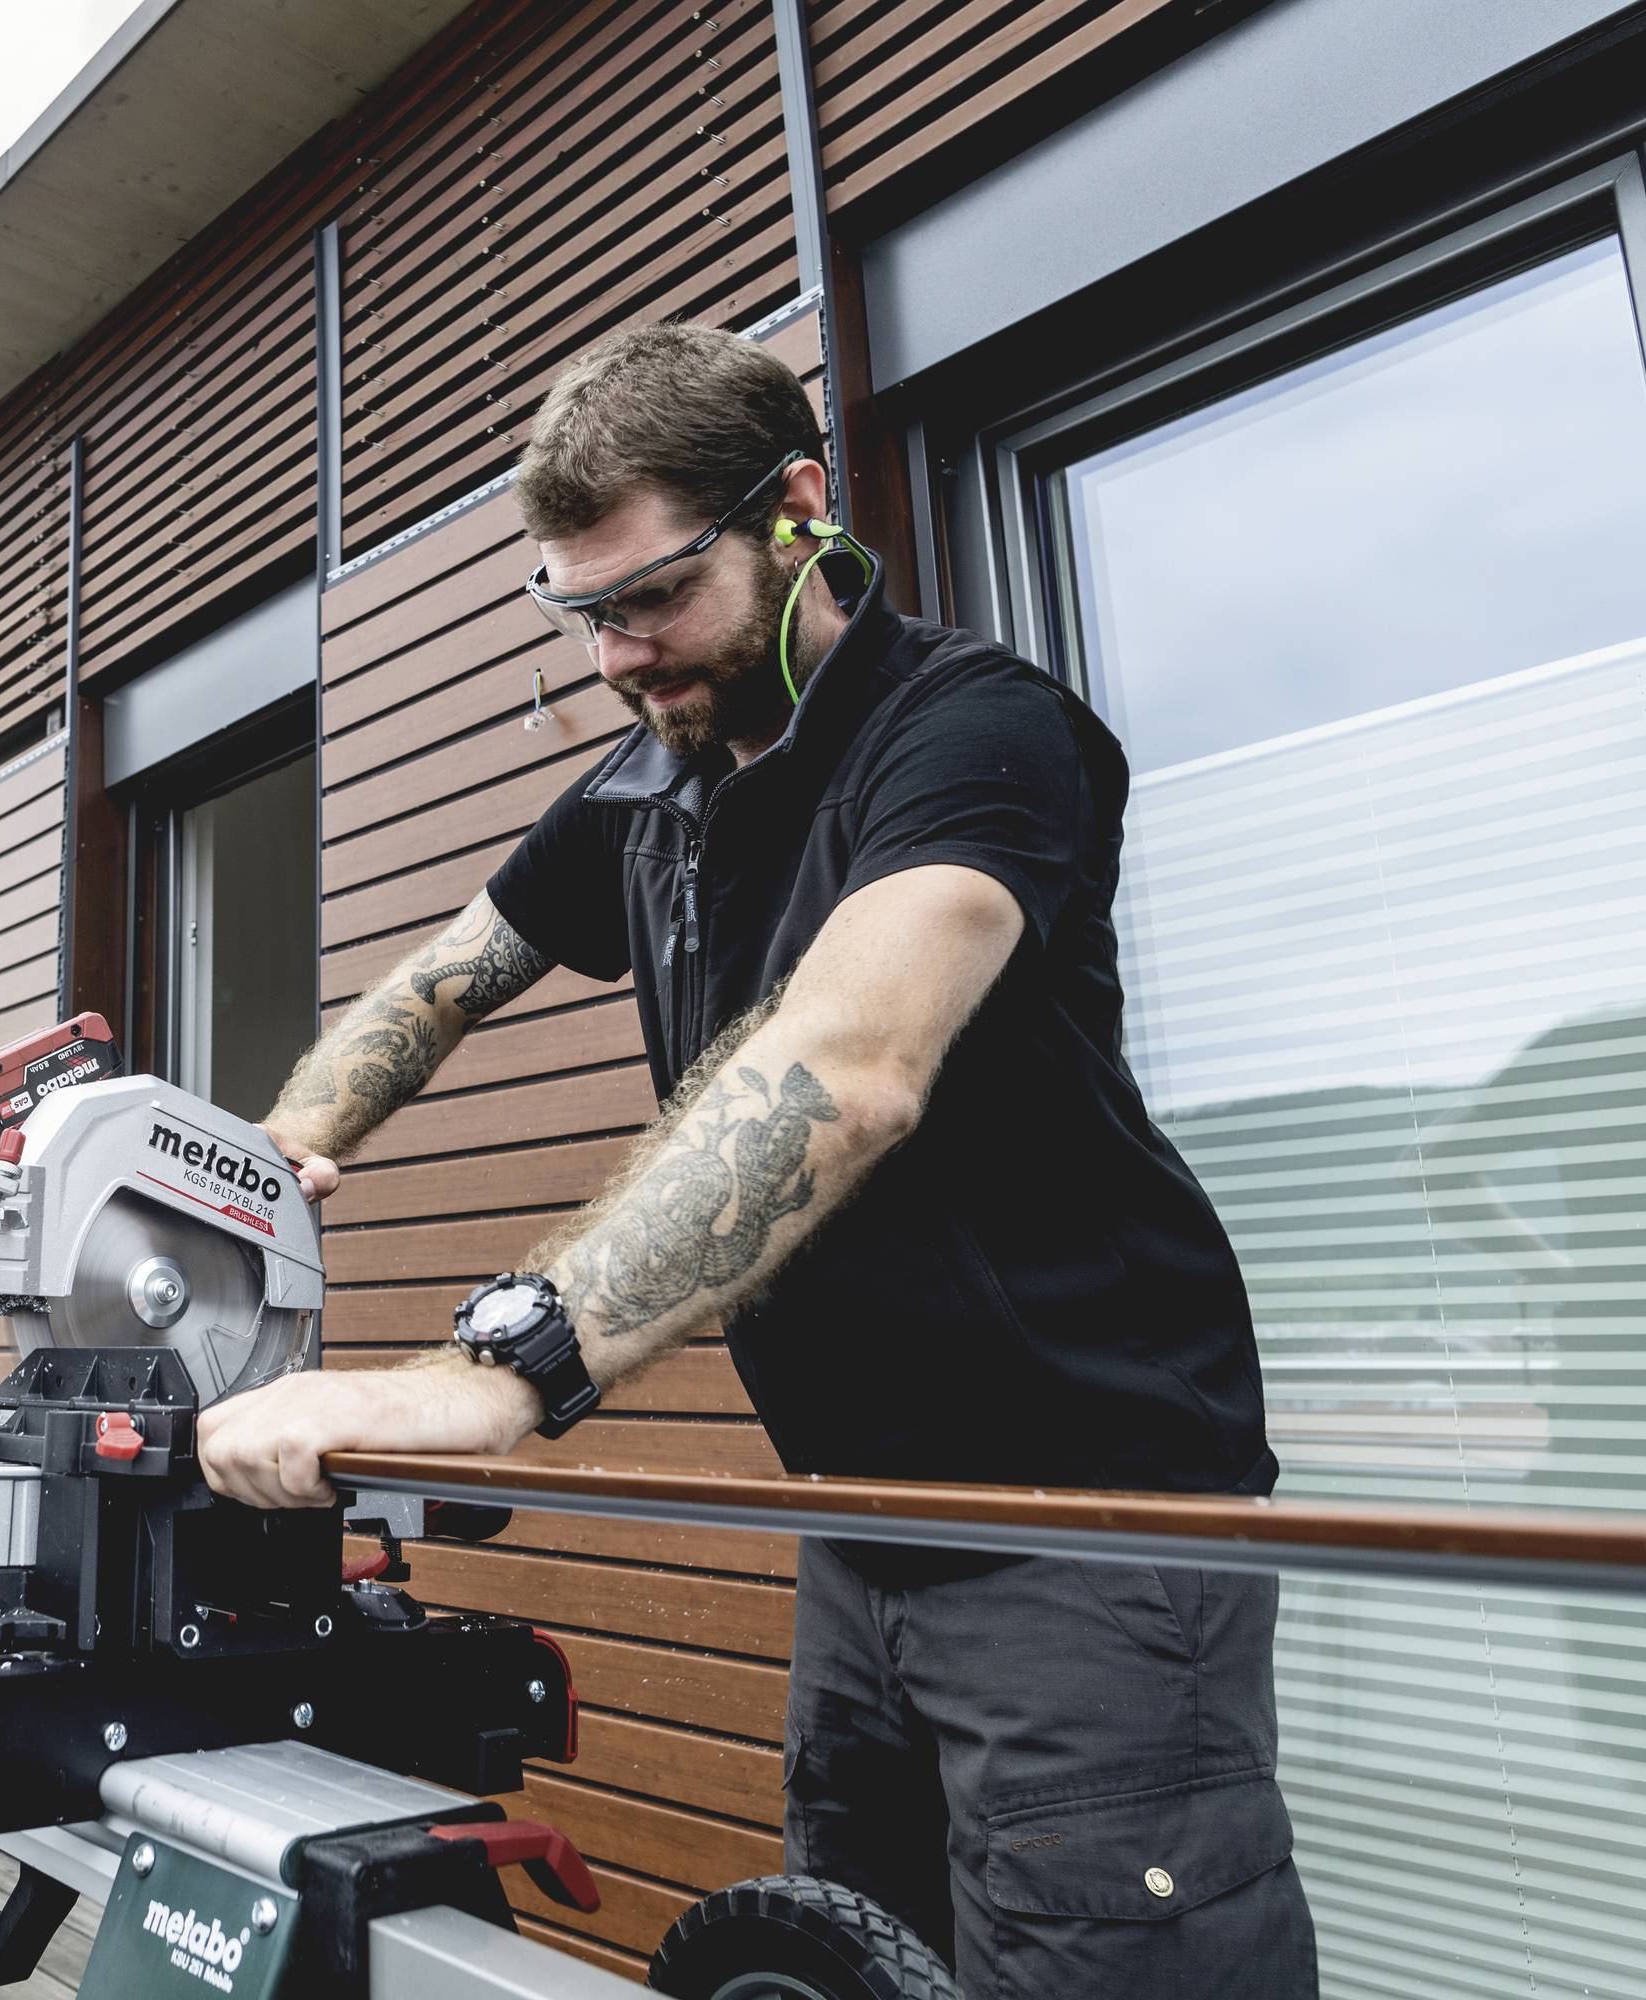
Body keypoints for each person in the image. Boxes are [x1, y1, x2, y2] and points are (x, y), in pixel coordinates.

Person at [193, 323, 1319, 1996]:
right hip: (864, 1522)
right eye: (582, 616)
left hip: (1087, 1531)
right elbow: (439, 987)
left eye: (654, 597)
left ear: (797, 513)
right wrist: (269, 1158)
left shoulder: (975, 734)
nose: (621, 658)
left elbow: (848, 1070)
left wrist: (511, 1369)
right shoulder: (652, 784)